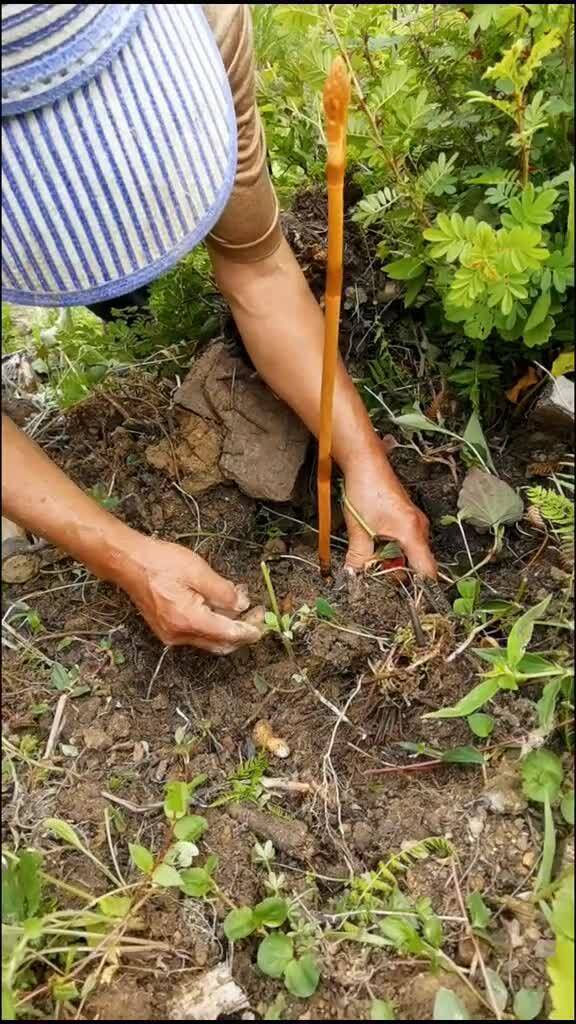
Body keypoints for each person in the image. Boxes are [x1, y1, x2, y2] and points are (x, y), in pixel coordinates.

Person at [1, 4, 436, 655]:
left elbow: (257, 265)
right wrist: (124, 555)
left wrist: (363, 460)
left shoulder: (202, 19)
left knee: (140, 283)